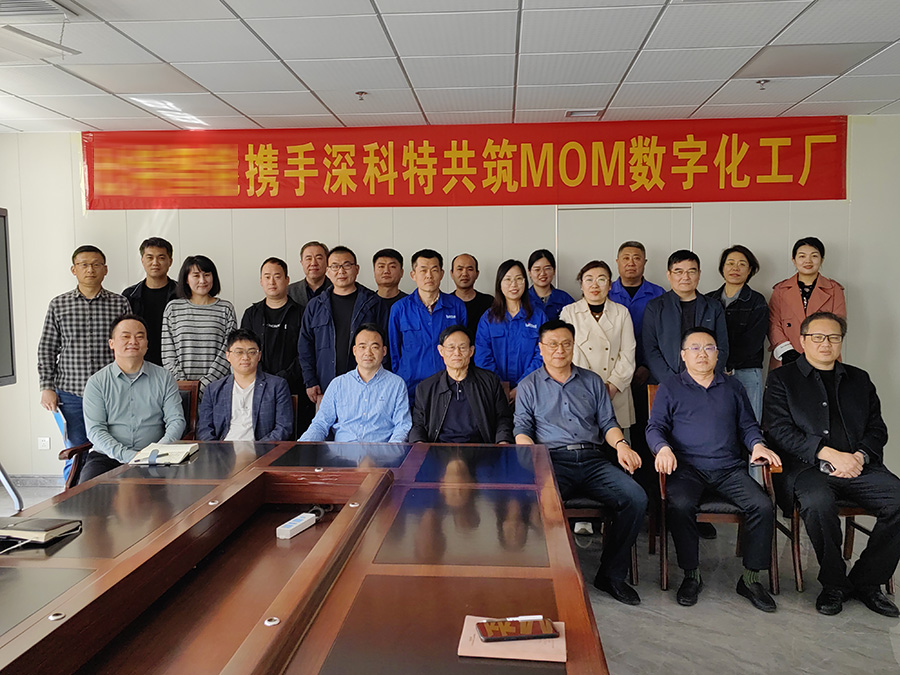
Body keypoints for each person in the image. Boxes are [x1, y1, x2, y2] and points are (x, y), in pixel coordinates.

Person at [763, 312, 900, 617]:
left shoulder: (859, 379)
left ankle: (867, 582)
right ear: (803, 341)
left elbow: (877, 429)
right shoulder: (782, 379)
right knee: (818, 504)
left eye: (833, 338)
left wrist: (859, 457)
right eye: (817, 337)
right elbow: (778, 430)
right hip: (807, 469)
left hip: (858, 467)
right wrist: (827, 453)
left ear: (841, 342)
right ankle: (834, 584)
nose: (825, 343)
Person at [647, 327, 781, 612]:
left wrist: (757, 445)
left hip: (728, 469)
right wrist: (663, 448)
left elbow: (748, 426)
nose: (702, 354)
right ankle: (691, 575)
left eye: (709, 348)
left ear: (717, 354)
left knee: (762, 506)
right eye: (694, 348)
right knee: (680, 505)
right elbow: (655, 427)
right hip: (686, 468)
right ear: (683, 355)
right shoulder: (670, 387)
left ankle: (750, 579)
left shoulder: (733, 387)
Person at [514, 319, 646, 606]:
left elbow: (608, 423)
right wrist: (530, 456)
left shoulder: (592, 381)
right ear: (541, 348)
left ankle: (611, 575)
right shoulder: (528, 385)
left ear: (574, 346)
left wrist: (621, 445)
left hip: (593, 460)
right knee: (536, 503)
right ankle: (554, 574)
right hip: (552, 461)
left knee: (635, 498)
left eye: (566, 344)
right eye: (552, 344)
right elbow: (522, 429)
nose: (559, 350)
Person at [38, 245, 131, 476]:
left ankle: (108, 494)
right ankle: (73, 495)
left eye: (96, 264)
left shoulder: (119, 303)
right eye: (84, 265)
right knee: (76, 451)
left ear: (105, 269)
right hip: (71, 394)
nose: (90, 270)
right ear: (74, 269)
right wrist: (46, 387)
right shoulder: (59, 304)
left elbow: (128, 347)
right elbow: (47, 348)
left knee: (109, 449)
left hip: (111, 392)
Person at [80, 314, 185, 482]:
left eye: (140, 336)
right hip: (107, 456)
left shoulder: (164, 378)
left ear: (147, 344)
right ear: (111, 343)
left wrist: (157, 451)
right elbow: (95, 430)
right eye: (126, 336)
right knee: (87, 493)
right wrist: (130, 456)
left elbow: (176, 420)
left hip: (155, 456)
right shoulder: (97, 382)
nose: (133, 341)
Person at [608, 241, 665, 497]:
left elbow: (661, 337)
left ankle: (648, 495)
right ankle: (616, 494)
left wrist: (645, 367)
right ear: (617, 262)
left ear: (645, 262)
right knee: (612, 435)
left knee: (646, 434)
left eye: (637, 258)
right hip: (612, 379)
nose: (631, 263)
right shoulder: (607, 291)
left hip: (646, 375)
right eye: (626, 258)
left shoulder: (658, 294)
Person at [298, 245, 386, 405]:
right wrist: (310, 381)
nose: (341, 271)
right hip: (326, 386)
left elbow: (386, 344)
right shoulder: (315, 305)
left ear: (357, 269)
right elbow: (305, 346)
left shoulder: (373, 303)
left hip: (368, 385)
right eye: (335, 266)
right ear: (327, 271)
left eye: (347, 265)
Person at [300, 324, 411, 442]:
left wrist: (390, 451)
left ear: (384, 351)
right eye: (362, 347)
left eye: (374, 347)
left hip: (380, 452)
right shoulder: (338, 384)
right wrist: (301, 446)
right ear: (354, 351)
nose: (368, 353)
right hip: (342, 452)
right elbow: (320, 425)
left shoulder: (396, 385)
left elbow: (402, 426)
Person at [560, 260, 636, 429]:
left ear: (610, 285)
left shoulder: (621, 312)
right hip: (580, 389)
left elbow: (628, 354)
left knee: (615, 439)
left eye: (601, 279)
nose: (595, 285)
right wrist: (589, 386)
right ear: (581, 285)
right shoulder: (569, 312)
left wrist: (612, 386)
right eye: (589, 279)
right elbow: (569, 351)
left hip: (615, 390)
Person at [411, 325, 513, 444]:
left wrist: (503, 442)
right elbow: (418, 425)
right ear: (441, 351)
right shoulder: (426, 388)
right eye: (451, 348)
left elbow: (503, 419)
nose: (457, 353)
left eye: (462, 347)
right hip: (440, 450)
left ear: (471, 351)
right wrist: (419, 445)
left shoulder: (490, 381)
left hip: (481, 449)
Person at [389, 248, 467, 402]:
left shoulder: (456, 306)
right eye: (423, 270)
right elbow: (394, 351)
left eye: (434, 270)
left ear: (442, 274)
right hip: (411, 387)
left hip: (449, 385)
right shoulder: (400, 309)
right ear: (413, 275)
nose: (429, 276)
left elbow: (464, 346)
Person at [643, 250, 729, 385]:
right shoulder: (655, 307)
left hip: (706, 384)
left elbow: (722, 347)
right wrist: (672, 382)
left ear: (699, 274)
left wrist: (705, 378)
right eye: (678, 271)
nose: (686, 277)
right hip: (666, 384)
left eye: (691, 271)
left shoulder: (713, 307)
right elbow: (650, 349)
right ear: (669, 275)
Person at [705, 245, 769, 420]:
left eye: (742, 264)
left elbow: (754, 340)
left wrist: (727, 364)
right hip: (713, 371)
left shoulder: (757, 300)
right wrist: (718, 365)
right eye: (730, 263)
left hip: (746, 370)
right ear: (722, 268)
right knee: (717, 422)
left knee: (749, 423)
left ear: (750, 270)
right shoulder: (708, 300)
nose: (735, 268)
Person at [197, 329, 293, 442]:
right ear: (228, 356)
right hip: (223, 449)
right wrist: (217, 450)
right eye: (239, 352)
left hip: (262, 449)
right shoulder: (213, 389)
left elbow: (283, 427)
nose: (245, 357)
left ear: (259, 355)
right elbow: (204, 429)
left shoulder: (277, 386)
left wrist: (259, 449)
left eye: (251, 352)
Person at [160, 255, 236, 393]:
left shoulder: (226, 308)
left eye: (207, 275)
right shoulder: (173, 308)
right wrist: (187, 387)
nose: (202, 280)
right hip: (181, 390)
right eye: (196, 275)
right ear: (186, 279)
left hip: (218, 388)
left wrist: (205, 386)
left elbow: (229, 351)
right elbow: (168, 354)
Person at [769, 236, 846, 370]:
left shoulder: (834, 290)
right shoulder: (780, 290)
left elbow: (838, 324)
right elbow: (773, 323)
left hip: (824, 355)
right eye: (802, 256)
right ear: (794, 260)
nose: (808, 261)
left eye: (814, 256)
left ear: (822, 259)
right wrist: (786, 350)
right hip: (787, 357)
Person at [475, 259, 546, 399]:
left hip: (531, 391)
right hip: (495, 392)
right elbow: (482, 356)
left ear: (525, 282)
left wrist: (522, 387)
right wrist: (500, 387)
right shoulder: (488, 318)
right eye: (507, 279)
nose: (514, 284)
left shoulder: (538, 316)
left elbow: (542, 355)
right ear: (499, 284)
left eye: (519, 279)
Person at [240, 257, 304, 395]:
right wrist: (263, 377)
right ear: (261, 281)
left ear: (287, 280)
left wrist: (284, 378)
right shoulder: (251, 314)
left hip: (293, 388)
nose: (272, 282)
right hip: (257, 386)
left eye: (277, 276)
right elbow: (245, 350)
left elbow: (305, 351)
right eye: (267, 277)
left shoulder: (301, 313)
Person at [122, 237, 177, 366]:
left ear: (170, 261)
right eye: (150, 257)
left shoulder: (183, 294)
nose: (155, 263)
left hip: (175, 364)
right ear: (142, 260)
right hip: (140, 364)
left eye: (161, 258)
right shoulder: (130, 295)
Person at [450, 253, 493, 339]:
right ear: (452, 274)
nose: (464, 273)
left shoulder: (489, 302)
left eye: (470, 269)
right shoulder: (444, 303)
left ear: (477, 274)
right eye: (460, 269)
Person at [527, 249, 574, 321]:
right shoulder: (523, 299)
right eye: (537, 269)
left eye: (547, 268)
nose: (542, 273)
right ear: (529, 272)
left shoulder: (564, 299)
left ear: (554, 271)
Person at [287, 240, 332, 313]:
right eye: (308, 258)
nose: (313, 263)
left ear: (327, 262)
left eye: (319, 258)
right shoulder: (289, 291)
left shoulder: (336, 289)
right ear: (302, 263)